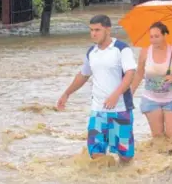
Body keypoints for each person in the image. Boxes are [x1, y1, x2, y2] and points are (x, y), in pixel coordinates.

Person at [57, 14, 137, 164]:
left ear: (108, 29)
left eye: (97, 30)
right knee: (95, 154)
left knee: (125, 156)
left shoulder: (121, 49)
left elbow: (130, 74)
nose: (93, 34)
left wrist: (116, 95)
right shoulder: (91, 52)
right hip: (98, 111)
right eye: (91, 30)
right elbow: (83, 75)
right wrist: (66, 93)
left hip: (120, 109)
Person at [130, 21, 172, 141]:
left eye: (157, 36)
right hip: (151, 99)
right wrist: (129, 93)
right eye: (151, 37)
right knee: (158, 138)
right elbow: (139, 73)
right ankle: (159, 159)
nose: (153, 40)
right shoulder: (145, 52)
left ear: (164, 35)